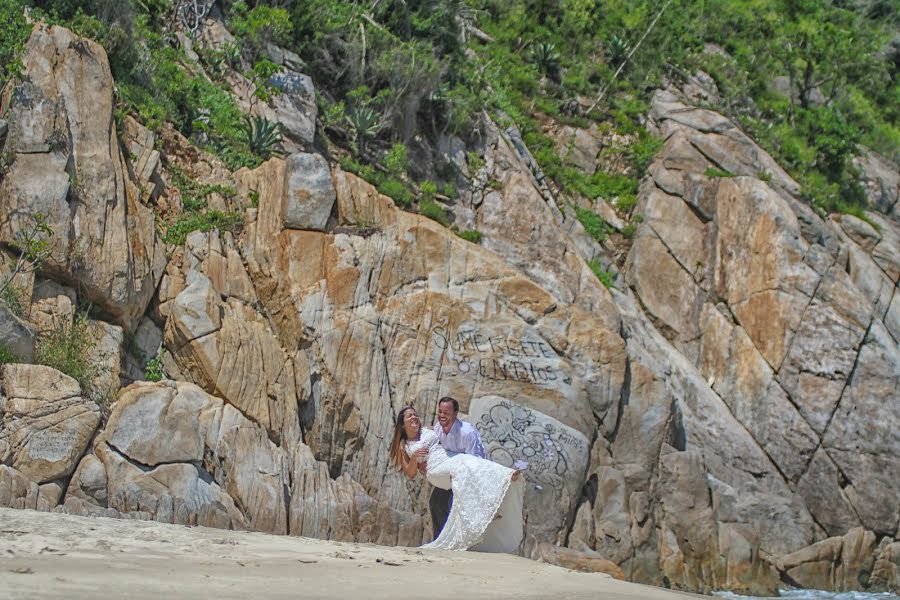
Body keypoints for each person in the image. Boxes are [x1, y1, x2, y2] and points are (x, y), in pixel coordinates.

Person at [389, 405, 524, 552]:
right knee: (460, 471)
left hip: (449, 458)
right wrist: (414, 458)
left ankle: (505, 477)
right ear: (403, 424)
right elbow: (410, 473)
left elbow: (448, 433)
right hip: (435, 469)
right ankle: (480, 513)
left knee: (469, 462)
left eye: (415, 414)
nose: (414, 417)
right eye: (410, 416)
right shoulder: (404, 445)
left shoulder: (428, 429)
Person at [424, 396, 486, 539]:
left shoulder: (467, 433)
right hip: (448, 477)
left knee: (456, 508)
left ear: (455, 414)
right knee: (436, 503)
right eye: (440, 412)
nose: (442, 415)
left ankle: (458, 542)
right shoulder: (438, 429)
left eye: (446, 412)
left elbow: (477, 460)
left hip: (467, 477)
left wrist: (461, 475)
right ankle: (440, 540)